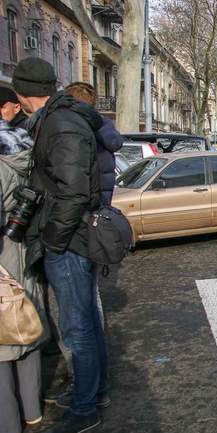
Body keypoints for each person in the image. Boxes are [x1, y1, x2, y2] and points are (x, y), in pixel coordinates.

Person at [13, 57, 107, 433]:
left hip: (69, 243)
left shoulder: (60, 122)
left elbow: (72, 192)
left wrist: (52, 241)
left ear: (21, 95)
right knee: (86, 324)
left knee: (77, 329)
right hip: (73, 239)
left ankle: (85, 408)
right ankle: (93, 393)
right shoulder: (62, 118)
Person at [0, 119, 50, 433]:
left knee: (3, 343)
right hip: (25, 251)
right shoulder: (26, 157)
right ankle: (33, 411)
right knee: (27, 328)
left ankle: (7, 423)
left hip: (3, 256)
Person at [65, 82, 123, 205]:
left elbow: (114, 143)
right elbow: (115, 143)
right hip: (99, 187)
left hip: (91, 189)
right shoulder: (102, 123)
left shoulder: (96, 123)